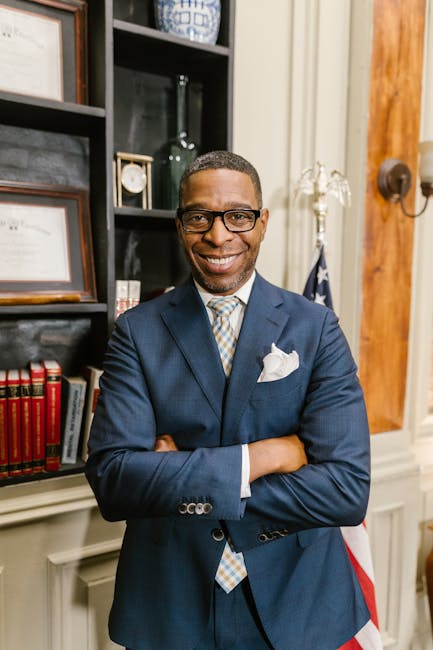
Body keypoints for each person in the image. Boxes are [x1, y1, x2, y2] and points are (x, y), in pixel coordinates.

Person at [85, 150, 371, 650]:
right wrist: (264, 457)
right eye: (200, 217)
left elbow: (346, 489)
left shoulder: (317, 328)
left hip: (298, 602)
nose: (219, 236)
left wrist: (176, 477)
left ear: (262, 222)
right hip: (170, 604)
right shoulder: (135, 332)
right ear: (180, 225)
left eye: (238, 216)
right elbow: (114, 481)